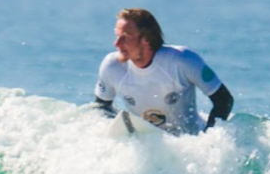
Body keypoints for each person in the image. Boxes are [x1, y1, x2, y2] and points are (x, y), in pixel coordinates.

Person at [94, 8, 233, 135]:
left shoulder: (182, 60)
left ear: (146, 39)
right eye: (117, 35)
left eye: (125, 37)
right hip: (147, 146)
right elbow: (102, 106)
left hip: (187, 145)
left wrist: (208, 139)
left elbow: (224, 100)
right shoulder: (112, 66)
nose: (116, 43)